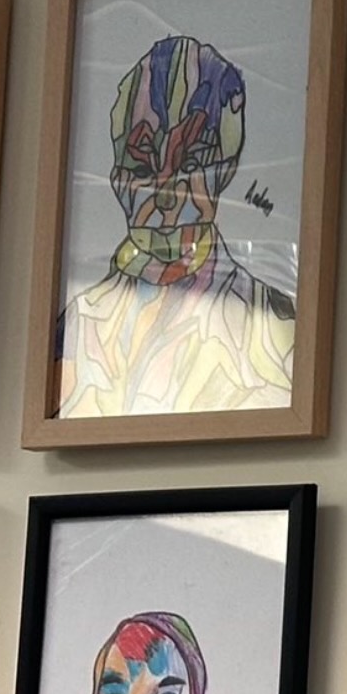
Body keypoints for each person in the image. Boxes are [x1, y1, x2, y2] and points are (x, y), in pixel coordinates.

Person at [55, 35, 296, 417]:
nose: (167, 199)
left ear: (226, 173)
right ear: (117, 179)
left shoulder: (278, 325)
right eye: (143, 168)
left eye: (191, 166)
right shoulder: (72, 328)